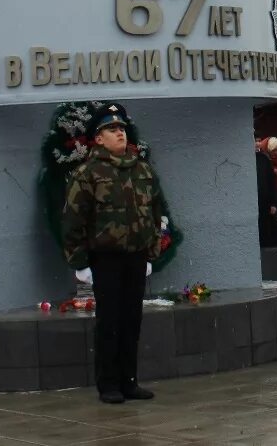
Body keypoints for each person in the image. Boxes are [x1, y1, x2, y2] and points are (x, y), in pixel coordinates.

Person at [62, 102, 169, 404]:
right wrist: (80, 262)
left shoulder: (142, 170)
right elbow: (73, 219)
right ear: (98, 139)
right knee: (109, 322)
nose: (119, 133)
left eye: (121, 128)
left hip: (136, 256)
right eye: (111, 129)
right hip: (105, 258)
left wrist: (150, 251)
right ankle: (108, 383)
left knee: (131, 320)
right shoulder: (88, 173)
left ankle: (129, 380)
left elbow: (156, 212)